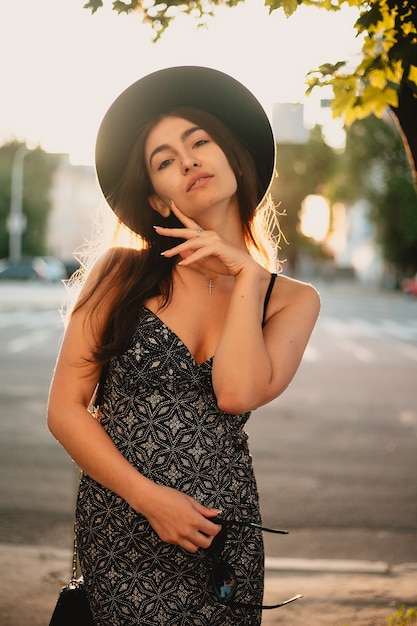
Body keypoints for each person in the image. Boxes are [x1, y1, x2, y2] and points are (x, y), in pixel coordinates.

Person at [47, 66, 320, 625]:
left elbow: (235, 393)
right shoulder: (119, 274)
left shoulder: (291, 300)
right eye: (165, 160)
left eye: (199, 141)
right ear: (156, 194)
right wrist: (149, 499)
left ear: (231, 154)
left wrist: (246, 278)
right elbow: (64, 411)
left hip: (222, 535)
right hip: (124, 524)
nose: (189, 160)